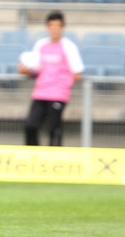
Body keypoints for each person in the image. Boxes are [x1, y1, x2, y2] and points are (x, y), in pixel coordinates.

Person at [18, 11, 84, 147]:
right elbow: (35, 68)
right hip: (41, 93)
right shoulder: (40, 45)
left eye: (57, 26)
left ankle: (55, 160)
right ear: (47, 27)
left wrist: (62, 80)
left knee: (54, 128)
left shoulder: (69, 47)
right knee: (31, 126)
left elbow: (77, 73)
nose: (54, 29)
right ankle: (33, 156)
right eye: (51, 26)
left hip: (58, 94)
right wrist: (26, 70)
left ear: (62, 28)